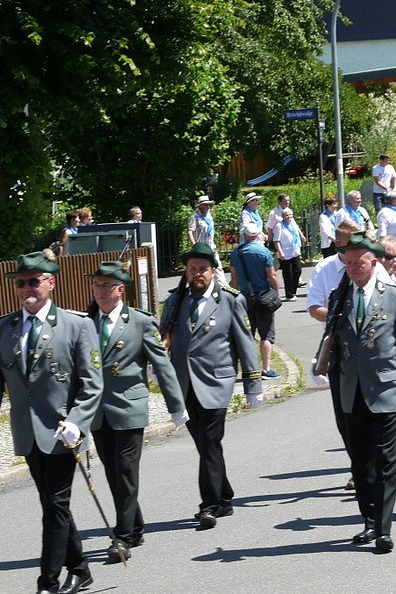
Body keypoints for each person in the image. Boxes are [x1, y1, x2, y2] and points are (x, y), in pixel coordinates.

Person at [0, 250, 102, 594]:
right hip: (28, 433)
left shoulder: (77, 325)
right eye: (20, 283)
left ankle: (48, 582)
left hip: (64, 434)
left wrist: (78, 421)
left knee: (55, 505)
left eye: (33, 281)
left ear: (51, 283)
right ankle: (80, 567)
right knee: (51, 503)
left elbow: (92, 383)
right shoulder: (3, 328)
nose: (26, 288)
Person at [333, 231, 396, 553]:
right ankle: (369, 519)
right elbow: (335, 336)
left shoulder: (394, 294)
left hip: (386, 388)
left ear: (373, 261)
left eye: (358, 262)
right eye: (348, 262)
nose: (352, 268)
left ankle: (383, 528)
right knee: (360, 462)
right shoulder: (341, 296)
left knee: (385, 459)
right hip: (352, 389)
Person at [87, 261, 188, 562]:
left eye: (107, 286)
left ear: (121, 289)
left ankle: (123, 536)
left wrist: (176, 406)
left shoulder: (140, 322)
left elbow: (162, 365)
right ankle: (137, 524)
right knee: (112, 472)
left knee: (126, 470)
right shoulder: (85, 322)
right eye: (97, 285)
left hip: (129, 405)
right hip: (97, 411)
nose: (101, 291)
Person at [159, 243, 262, 529]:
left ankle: (209, 504)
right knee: (205, 445)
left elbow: (245, 343)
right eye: (192, 269)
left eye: (202, 269)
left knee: (210, 440)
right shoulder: (174, 301)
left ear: (213, 272)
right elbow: (163, 339)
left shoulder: (230, 300)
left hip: (217, 382)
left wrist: (253, 385)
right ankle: (225, 497)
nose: (197, 274)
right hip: (185, 382)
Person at [306, 221, 392, 491]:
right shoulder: (325, 269)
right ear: (337, 243)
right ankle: (359, 466)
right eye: (347, 242)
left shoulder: (373, 264)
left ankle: (377, 464)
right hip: (339, 349)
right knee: (346, 416)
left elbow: (391, 298)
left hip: (373, 349)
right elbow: (314, 306)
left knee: (377, 412)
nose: (354, 245)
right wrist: (340, 319)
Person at [230, 223, 282, 379]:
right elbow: (272, 276)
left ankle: (248, 369)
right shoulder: (263, 252)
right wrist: (276, 293)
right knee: (266, 334)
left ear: (244, 235)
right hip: (263, 297)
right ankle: (266, 369)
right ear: (257, 234)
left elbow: (234, 279)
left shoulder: (236, 253)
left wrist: (235, 295)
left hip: (244, 298)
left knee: (247, 334)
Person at [189, 193, 227, 284]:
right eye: (205, 204)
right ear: (200, 206)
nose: (208, 206)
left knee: (218, 269)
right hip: (201, 249)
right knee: (204, 270)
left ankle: (226, 290)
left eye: (209, 204)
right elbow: (190, 232)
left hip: (211, 247)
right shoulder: (195, 217)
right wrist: (195, 246)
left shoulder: (208, 216)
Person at [273, 207, 303, 302]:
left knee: (297, 270)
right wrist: (280, 252)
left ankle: (292, 290)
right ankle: (289, 294)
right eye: (287, 215)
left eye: (290, 215)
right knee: (288, 274)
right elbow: (276, 241)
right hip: (285, 253)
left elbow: (297, 232)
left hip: (295, 251)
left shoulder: (292, 223)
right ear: (283, 216)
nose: (289, 216)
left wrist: (302, 236)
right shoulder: (279, 226)